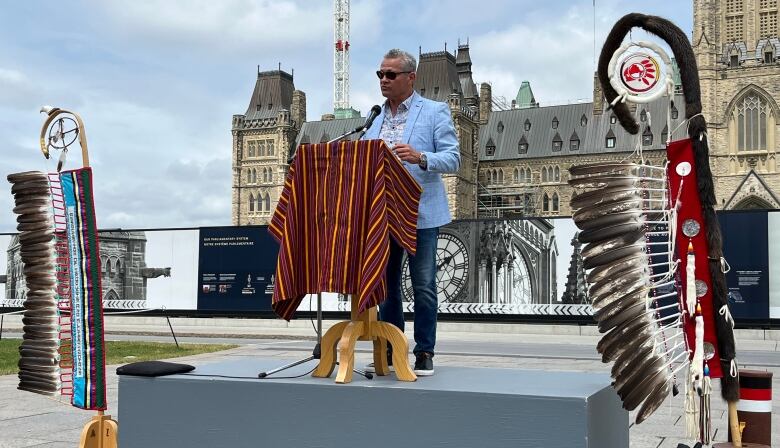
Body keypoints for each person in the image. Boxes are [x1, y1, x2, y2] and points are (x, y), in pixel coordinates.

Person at [362, 48, 460, 376]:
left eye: (390, 75)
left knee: (424, 286)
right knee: (386, 287)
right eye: (380, 75)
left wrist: (420, 157)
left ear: (410, 77)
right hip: (382, 216)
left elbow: (453, 159)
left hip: (420, 214)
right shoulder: (374, 117)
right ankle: (392, 348)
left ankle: (425, 352)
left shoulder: (434, 111)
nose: (384, 81)